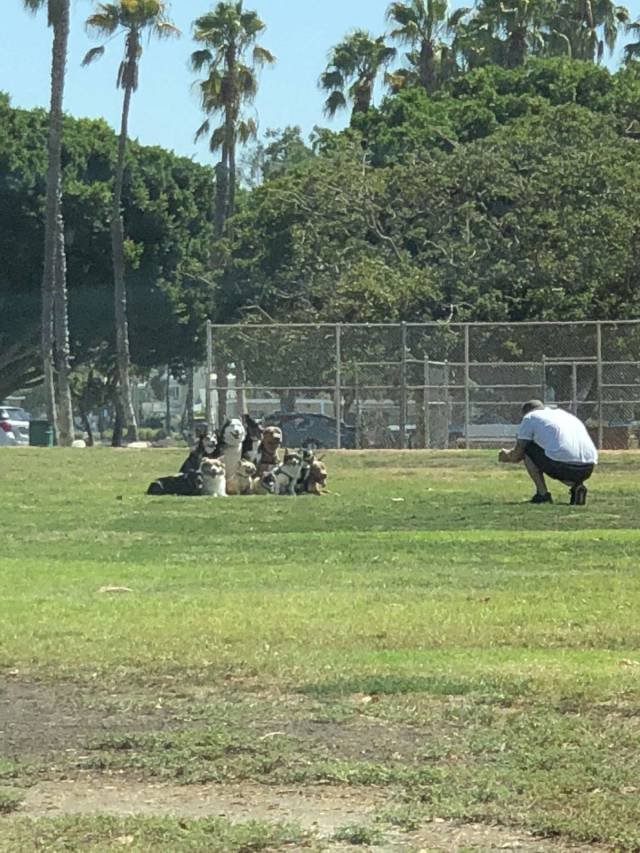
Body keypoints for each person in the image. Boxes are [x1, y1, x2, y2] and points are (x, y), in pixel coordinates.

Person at [498, 400, 598, 505]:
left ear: (525, 413)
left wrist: (506, 455)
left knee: (528, 449)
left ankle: (543, 494)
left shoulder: (529, 417)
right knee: (559, 457)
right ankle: (576, 486)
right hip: (588, 467)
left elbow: (518, 454)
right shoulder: (563, 414)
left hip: (563, 466)